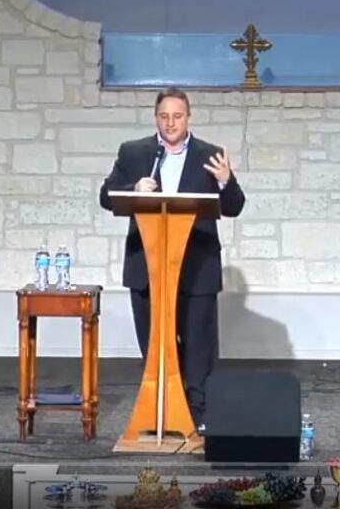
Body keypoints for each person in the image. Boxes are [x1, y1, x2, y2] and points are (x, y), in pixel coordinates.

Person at [99, 88, 246, 432]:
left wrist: (226, 182)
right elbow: (106, 196)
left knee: (198, 346)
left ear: (188, 117)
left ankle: (198, 416)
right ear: (156, 118)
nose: (171, 123)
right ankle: (159, 411)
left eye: (177, 116)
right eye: (164, 116)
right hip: (147, 269)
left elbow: (235, 206)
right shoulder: (134, 153)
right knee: (155, 344)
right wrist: (135, 190)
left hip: (197, 269)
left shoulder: (211, 156)